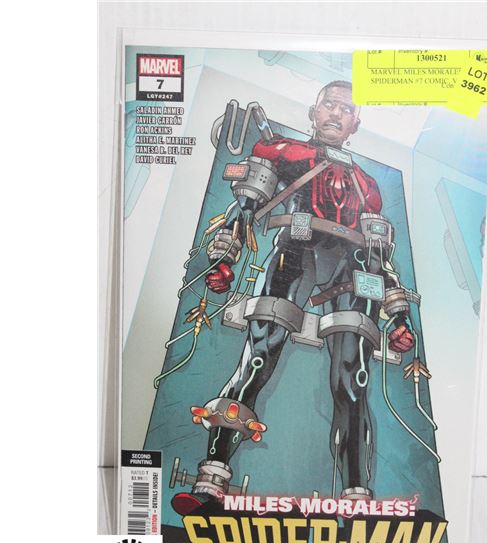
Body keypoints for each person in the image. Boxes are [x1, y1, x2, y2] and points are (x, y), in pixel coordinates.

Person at [172, 81, 415, 516]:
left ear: (355, 123)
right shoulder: (283, 152)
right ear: (314, 111)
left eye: (346, 109)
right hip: (295, 255)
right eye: (329, 105)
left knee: (352, 382)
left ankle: (357, 497)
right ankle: (212, 476)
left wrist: (398, 316)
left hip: (352, 271)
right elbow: (243, 210)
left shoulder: (368, 186)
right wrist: (224, 259)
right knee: (257, 359)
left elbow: (380, 257)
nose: (336, 113)